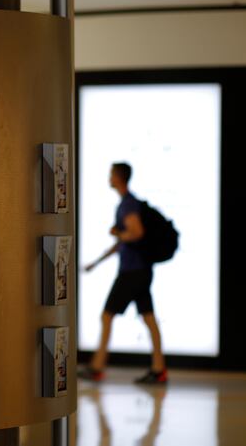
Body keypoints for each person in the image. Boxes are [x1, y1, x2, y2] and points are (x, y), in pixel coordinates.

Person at [81, 163, 167, 384]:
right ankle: (159, 370)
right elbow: (122, 242)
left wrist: (118, 231)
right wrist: (96, 263)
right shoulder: (129, 203)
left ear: (118, 177)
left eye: (111, 174)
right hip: (141, 270)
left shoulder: (127, 205)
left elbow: (135, 233)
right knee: (149, 318)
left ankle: (97, 366)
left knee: (107, 315)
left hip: (132, 272)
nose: (108, 178)